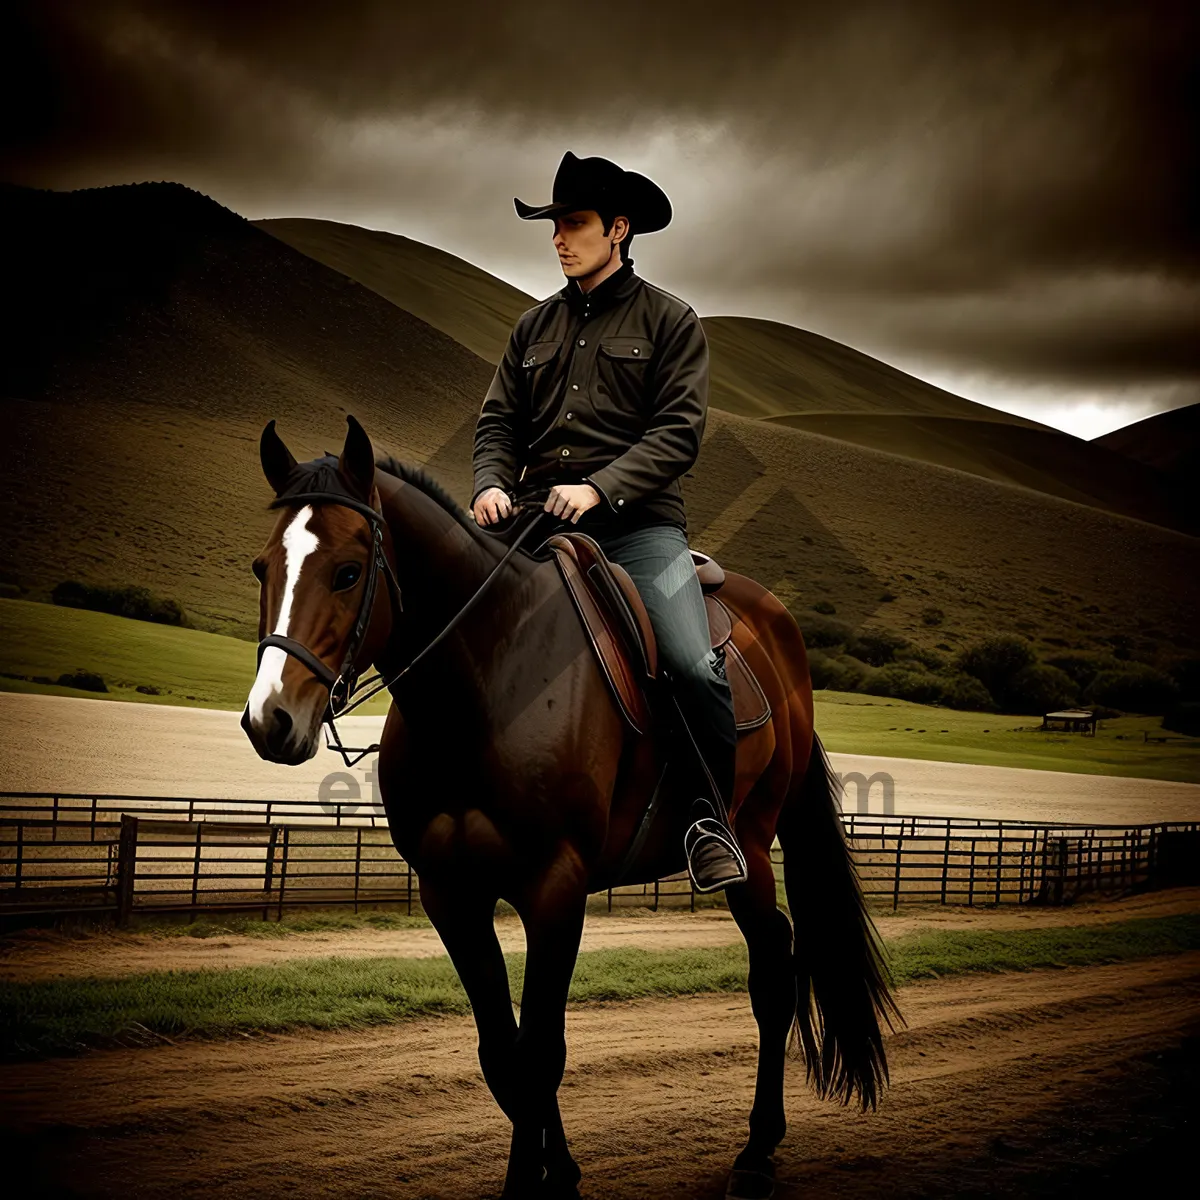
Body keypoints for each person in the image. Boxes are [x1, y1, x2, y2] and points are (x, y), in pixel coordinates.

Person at [470, 150, 747, 892]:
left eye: (575, 224)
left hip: (638, 527)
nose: (560, 238)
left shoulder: (671, 321)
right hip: (532, 521)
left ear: (618, 229)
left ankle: (708, 819)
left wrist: (599, 488)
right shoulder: (532, 328)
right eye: (555, 226)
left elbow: (679, 432)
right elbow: (498, 422)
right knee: (451, 612)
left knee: (691, 662)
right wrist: (491, 484)